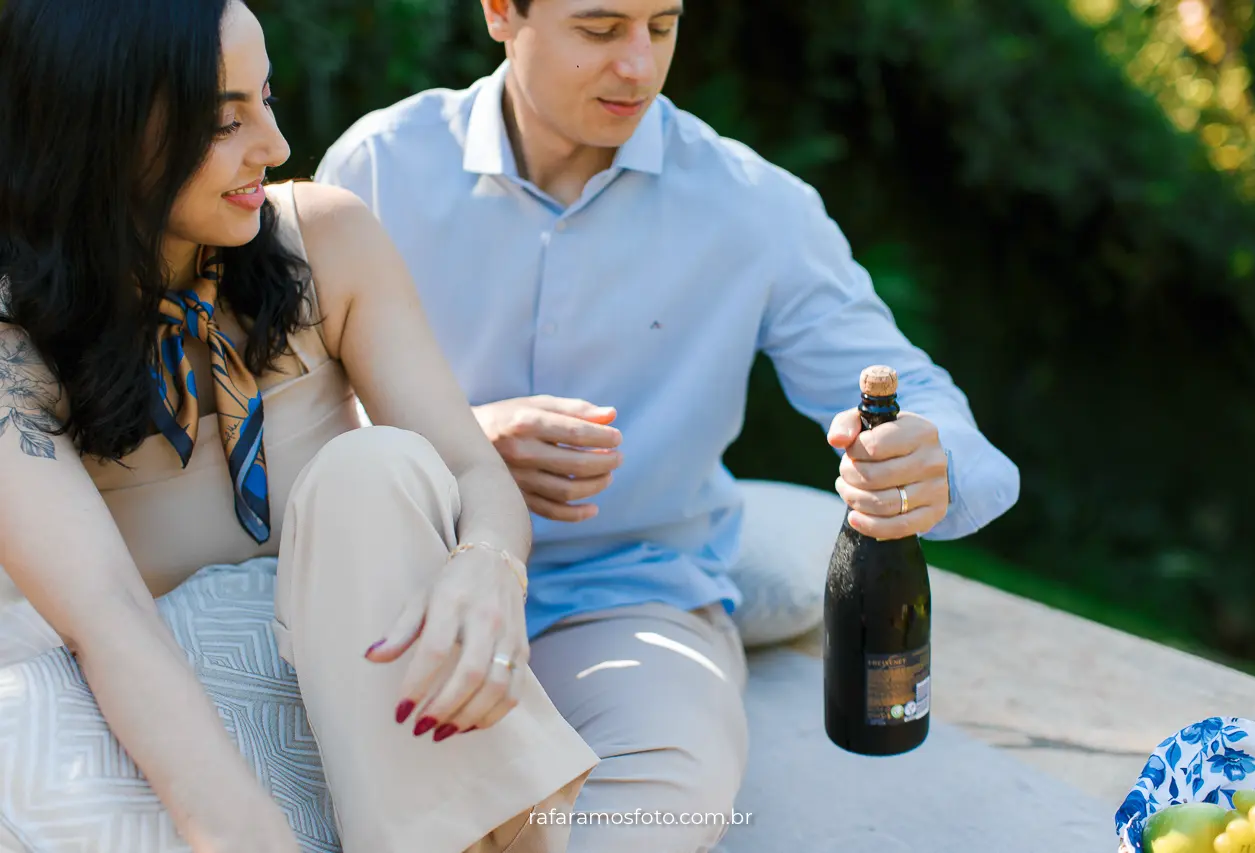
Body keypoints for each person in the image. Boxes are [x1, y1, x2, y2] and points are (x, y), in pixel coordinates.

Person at [315, 0, 1022, 851]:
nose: (641, 68)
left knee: (657, 806)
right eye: (602, 29)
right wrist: (463, 440)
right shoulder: (379, 166)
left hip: (630, 597)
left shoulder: (754, 205)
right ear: (502, 11)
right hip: (404, 580)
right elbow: (282, 414)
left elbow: (917, 393)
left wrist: (928, 454)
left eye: (663, 25)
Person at [0, 1, 601, 852]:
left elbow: (471, 471)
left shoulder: (327, 238)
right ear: (97, 126)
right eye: (225, 121)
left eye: (267, 98)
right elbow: (107, 617)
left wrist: (488, 567)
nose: (274, 147)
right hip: (162, 734)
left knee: (376, 468)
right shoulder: (12, 340)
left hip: (371, 696)